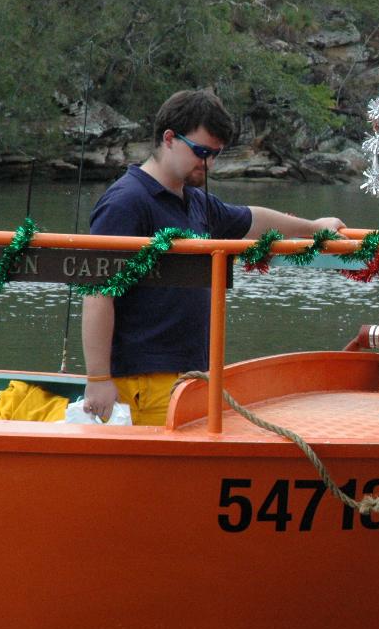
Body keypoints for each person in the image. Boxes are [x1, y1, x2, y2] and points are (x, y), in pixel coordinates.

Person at [81, 89, 345, 426]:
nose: (208, 163)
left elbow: (252, 219)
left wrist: (313, 228)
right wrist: (99, 379)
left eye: (216, 154)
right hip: (143, 380)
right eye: (202, 152)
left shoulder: (196, 202)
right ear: (169, 139)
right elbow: (98, 292)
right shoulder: (126, 202)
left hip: (189, 376)